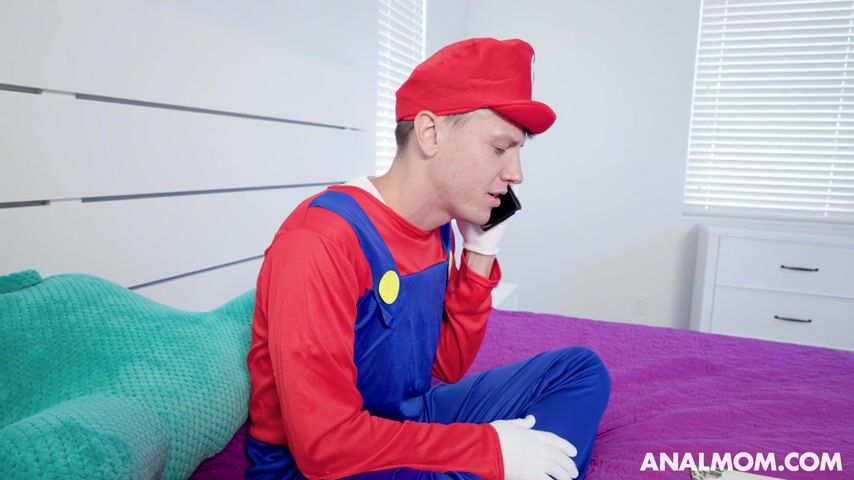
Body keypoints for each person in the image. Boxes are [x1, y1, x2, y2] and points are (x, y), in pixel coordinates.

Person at [245, 37, 611, 480]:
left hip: (405, 422)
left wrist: (480, 252)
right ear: (430, 133)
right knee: (501, 457)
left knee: (580, 371)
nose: (516, 174)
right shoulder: (321, 241)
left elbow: (445, 366)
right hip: (327, 463)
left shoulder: (438, 229)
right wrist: (489, 450)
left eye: (518, 152)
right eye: (499, 149)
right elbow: (324, 447)